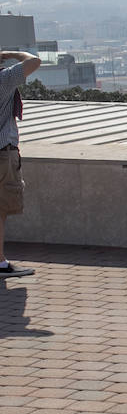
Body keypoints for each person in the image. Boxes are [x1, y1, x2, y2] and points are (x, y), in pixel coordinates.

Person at [0, 49, 42, 277]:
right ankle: (0, 262)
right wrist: (11, 53)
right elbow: (34, 61)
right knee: (1, 209)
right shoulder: (5, 80)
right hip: (2, 155)